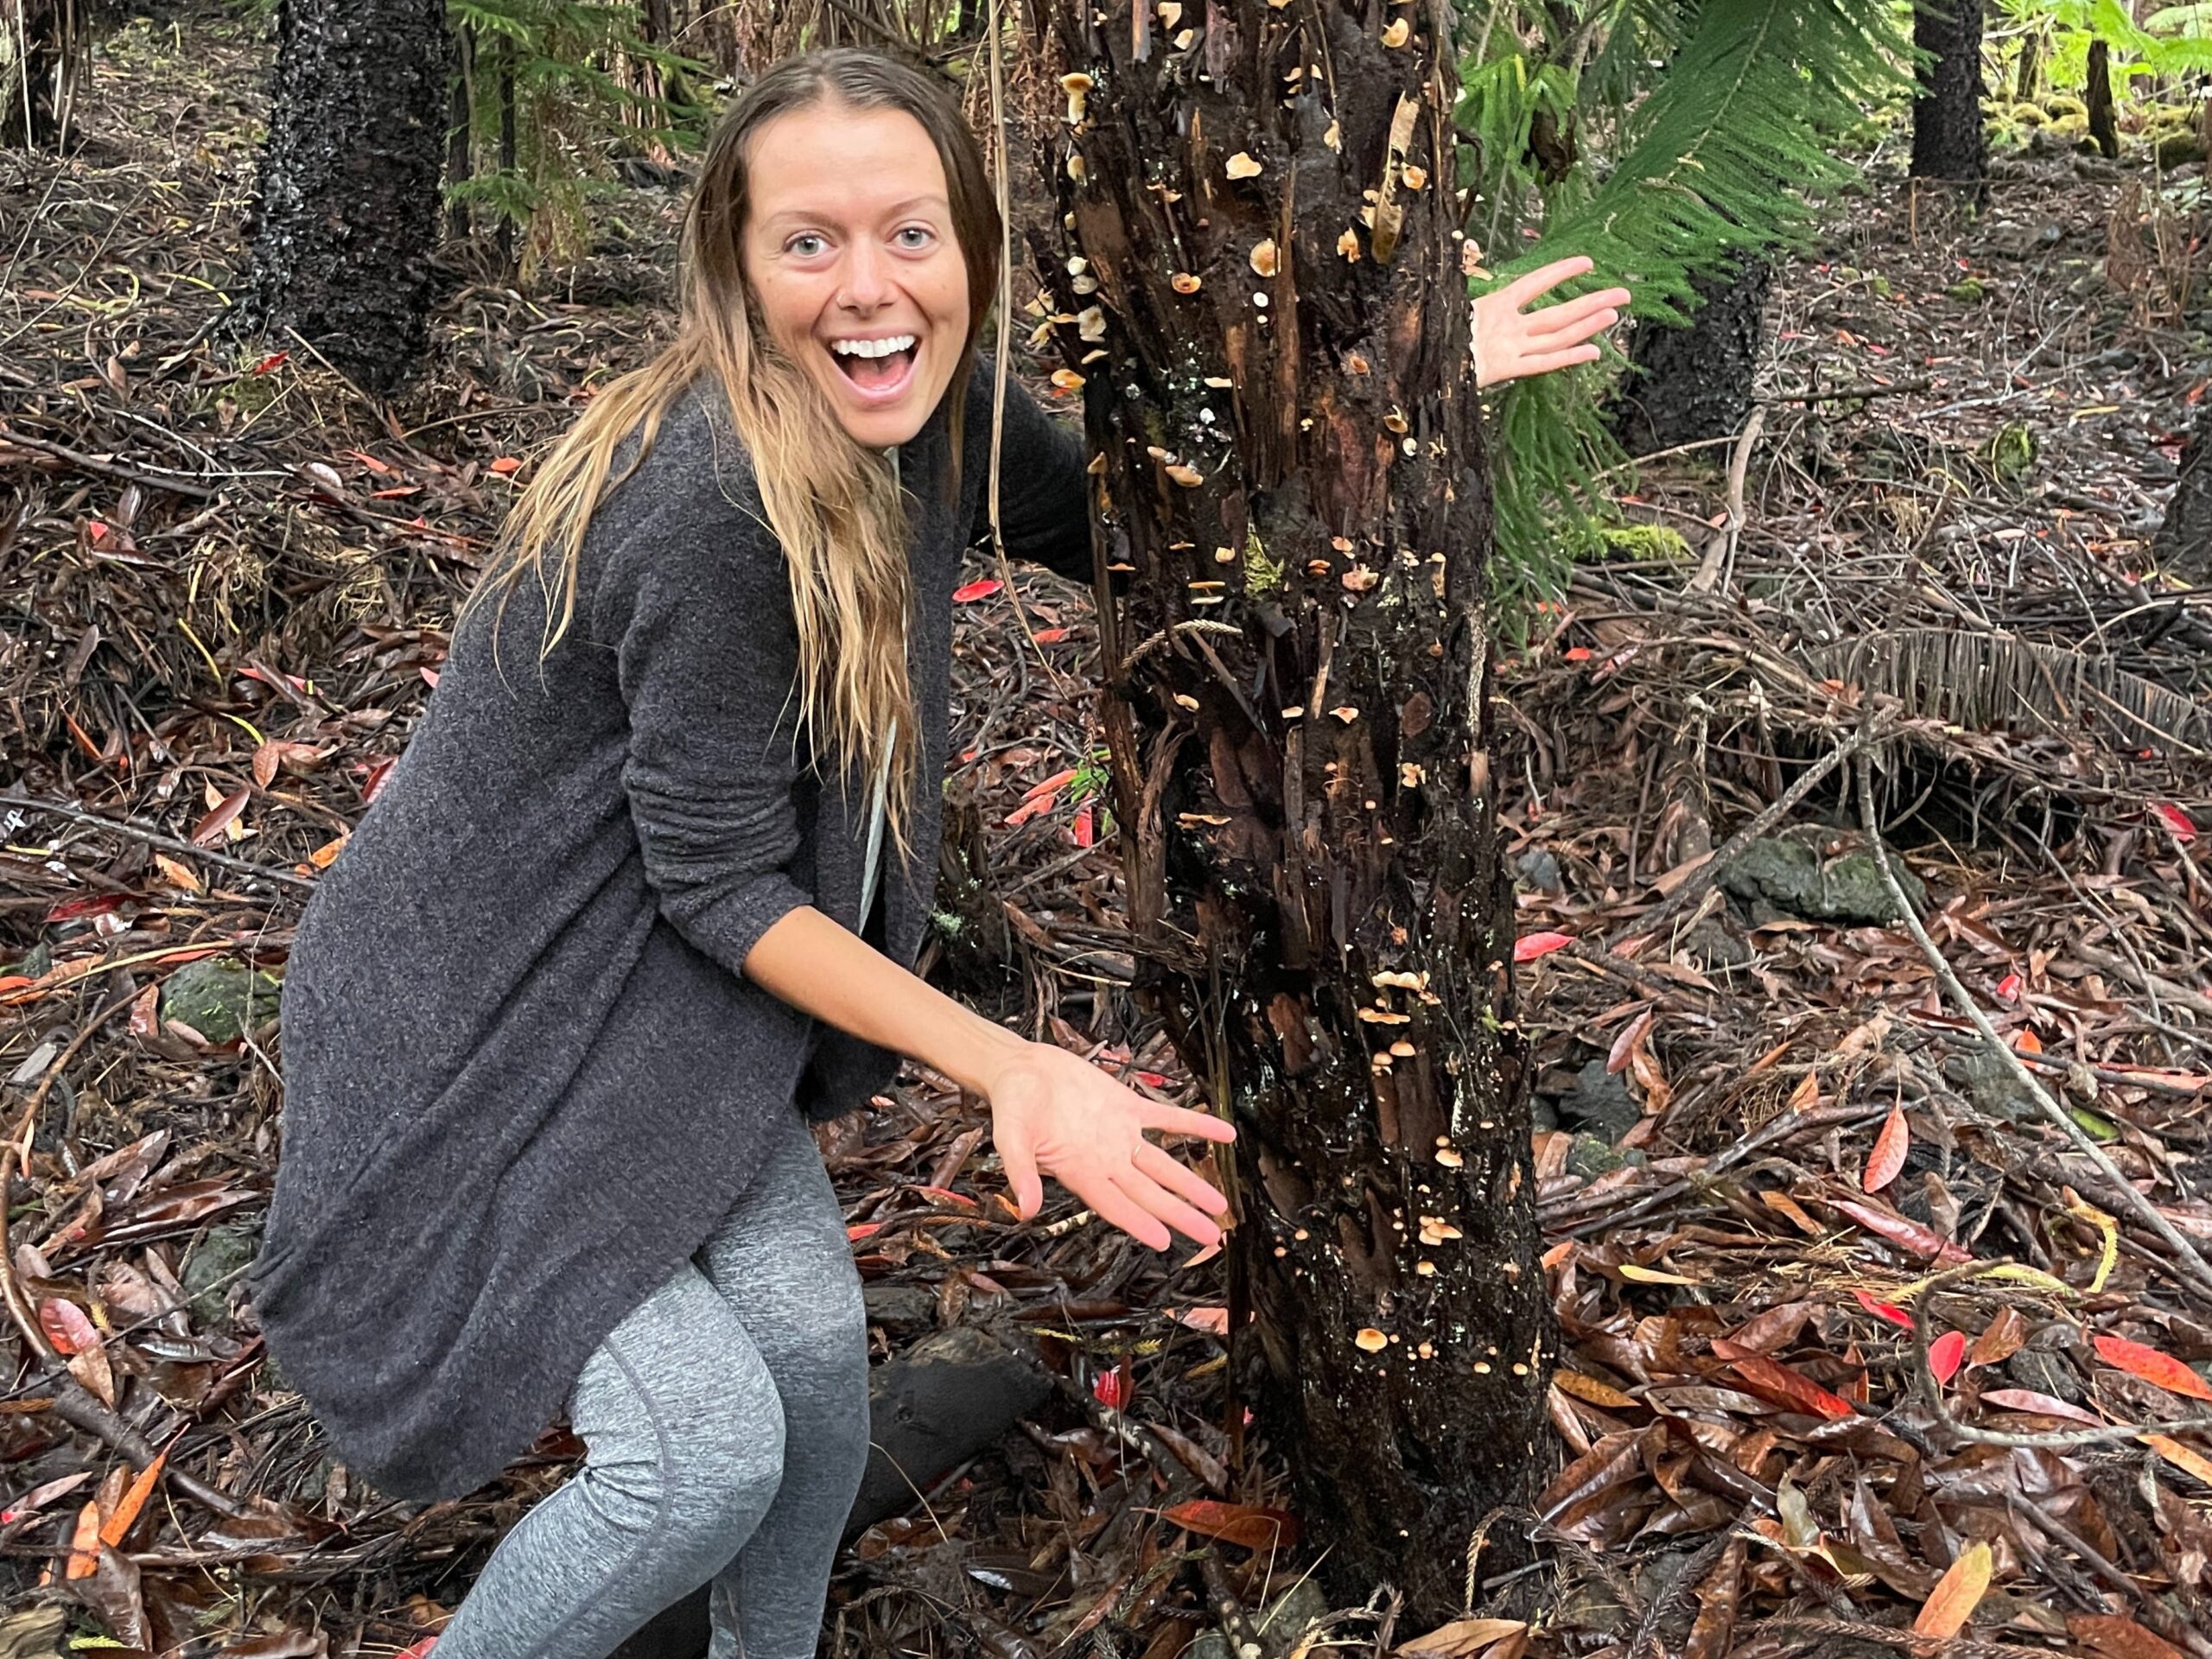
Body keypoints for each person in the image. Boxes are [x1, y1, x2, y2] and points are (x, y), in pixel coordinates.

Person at [248, 45, 1628, 1659]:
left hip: (648, 993)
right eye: (807, 242)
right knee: (693, 1459)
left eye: (911, 233)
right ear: (734, 267)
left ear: (975, 246)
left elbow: (1129, 524)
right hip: (473, 1022)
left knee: (820, 1360)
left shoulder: (944, 409)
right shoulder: (711, 501)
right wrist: (1011, 1066)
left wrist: (1395, 377)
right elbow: (717, 883)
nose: (865, 287)